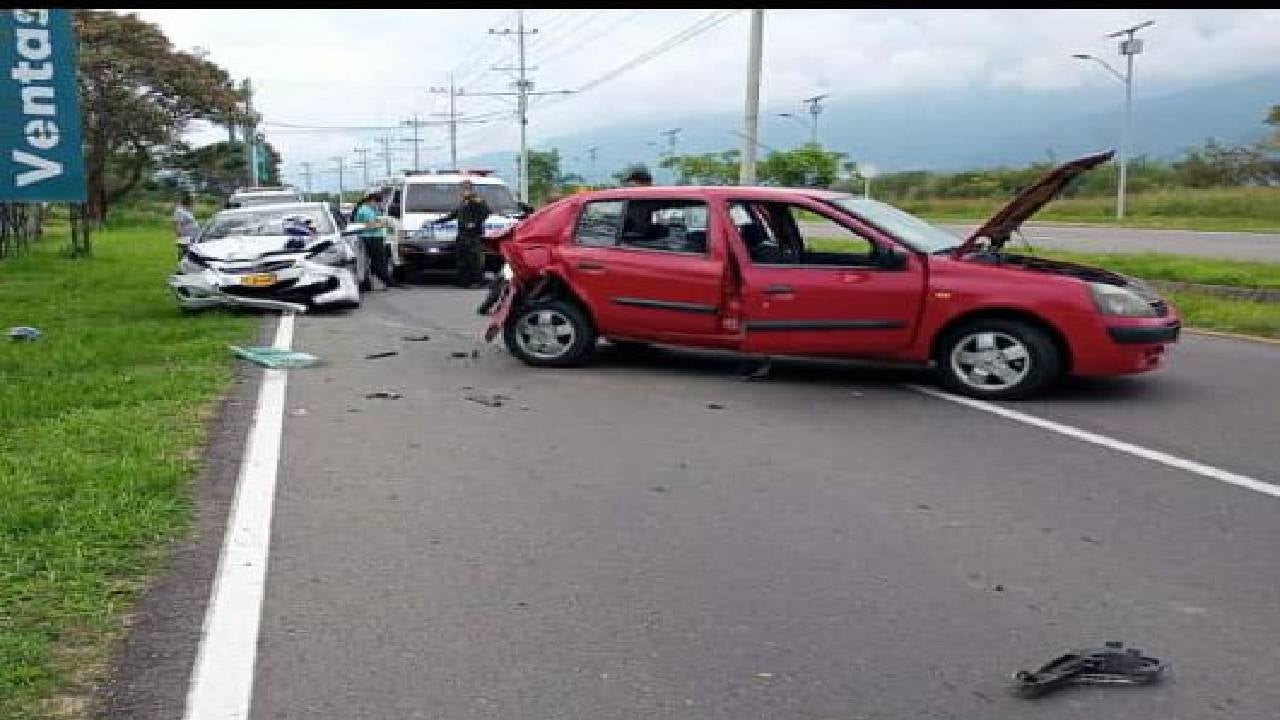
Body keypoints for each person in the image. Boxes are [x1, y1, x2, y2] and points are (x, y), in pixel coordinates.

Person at [432, 179, 491, 288]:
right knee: (462, 259)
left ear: (470, 189)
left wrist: (474, 222)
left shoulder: (477, 200)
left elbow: (486, 212)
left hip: (473, 236)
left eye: (465, 188)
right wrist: (439, 221)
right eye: (462, 188)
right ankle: (464, 281)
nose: (463, 190)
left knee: (475, 260)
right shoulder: (463, 202)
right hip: (462, 235)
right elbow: (455, 214)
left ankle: (477, 281)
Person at [352, 191, 401, 289]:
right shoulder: (365, 211)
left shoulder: (370, 209)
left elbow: (376, 220)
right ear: (372, 201)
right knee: (377, 261)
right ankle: (383, 280)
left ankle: (376, 281)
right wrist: (385, 224)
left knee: (374, 261)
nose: (378, 205)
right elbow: (371, 225)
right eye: (378, 203)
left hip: (374, 237)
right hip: (371, 238)